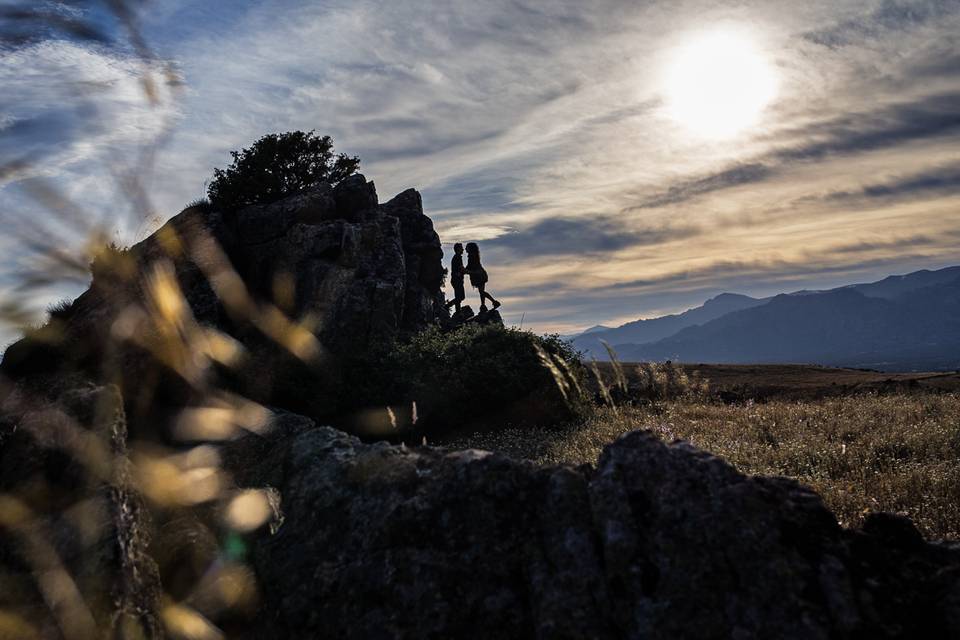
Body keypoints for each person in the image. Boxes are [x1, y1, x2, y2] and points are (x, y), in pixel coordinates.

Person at [465, 242, 500, 310]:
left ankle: (493, 302)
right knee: (481, 291)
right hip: (480, 274)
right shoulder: (473, 255)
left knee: (481, 292)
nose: (465, 249)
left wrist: (465, 271)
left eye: (467, 247)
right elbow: (470, 266)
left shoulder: (472, 256)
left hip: (479, 275)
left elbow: (471, 266)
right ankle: (483, 305)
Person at [446, 242, 466, 312]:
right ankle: (447, 306)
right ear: (458, 249)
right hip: (457, 280)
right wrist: (469, 271)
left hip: (456, 279)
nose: (463, 249)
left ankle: (457, 311)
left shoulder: (457, 257)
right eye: (461, 248)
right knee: (460, 297)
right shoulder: (457, 257)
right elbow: (461, 269)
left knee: (459, 297)